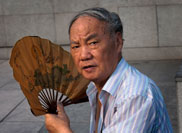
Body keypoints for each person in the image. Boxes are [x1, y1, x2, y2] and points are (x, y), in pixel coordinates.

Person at [45, 7, 173, 133]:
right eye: (76, 46)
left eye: (93, 43)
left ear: (117, 42)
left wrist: (62, 130)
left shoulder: (135, 95)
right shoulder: (96, 88)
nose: (84, 55)